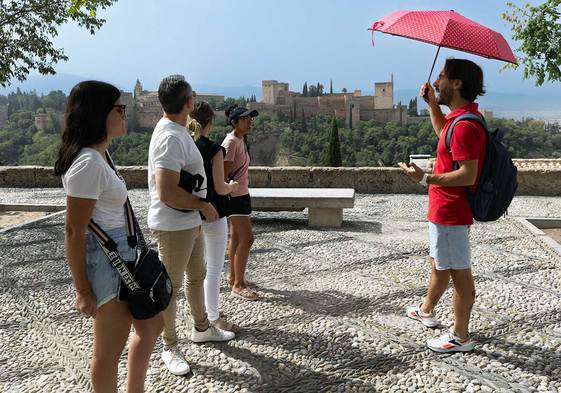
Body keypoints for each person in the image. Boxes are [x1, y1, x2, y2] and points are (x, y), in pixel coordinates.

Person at [56, 81, 163, 392]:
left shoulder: (100, 156)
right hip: (109, 264)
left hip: (124, 257)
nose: (125, 114)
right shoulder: (88, 163)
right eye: (120, 109)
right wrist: (82, 289)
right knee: (106, 354)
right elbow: (74, 230)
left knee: (152, 324)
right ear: (99, 113)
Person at [148, 75, 235, 376]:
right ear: (189, 102)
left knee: (195, 275)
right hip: (174, 224)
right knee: (170, 288)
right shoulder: (171, 137)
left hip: (188, 221)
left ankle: (201, 328)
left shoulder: (178, 130)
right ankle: (169, 347)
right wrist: (202, 205)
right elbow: (167, 190)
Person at [399, 58, 487, 353]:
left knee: (460, 274)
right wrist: (431, 104)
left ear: (457, 83)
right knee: (440, 264)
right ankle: (427, 310)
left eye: (442, 77)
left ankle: (460, 337)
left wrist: (425, 178)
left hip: (451, 211)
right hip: (445, 211)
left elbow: (467, 174)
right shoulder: (459, 119)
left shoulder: (464, 126)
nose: (437, 82)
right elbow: (444, 135)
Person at [188, 101, 240, 331]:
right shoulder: (214, 150)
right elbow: (219, 187)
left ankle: (201, 313)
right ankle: (213, 316)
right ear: (210, 123)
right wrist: (232, 186)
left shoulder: (186, 146)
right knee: (214, 267)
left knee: (196, 271)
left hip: (191, 212)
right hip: (215, 211)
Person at [222, 105, 259, 301]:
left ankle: (234, 277)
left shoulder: (239, 140)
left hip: (241, 194)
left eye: (250, 118)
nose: (249, 121)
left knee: (235, 237)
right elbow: (224, 173)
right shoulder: (231, 142)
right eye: (245, 119)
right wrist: (230, 191)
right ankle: (239, 285)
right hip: (235, 197)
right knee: (248, 239)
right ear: (234, 122)